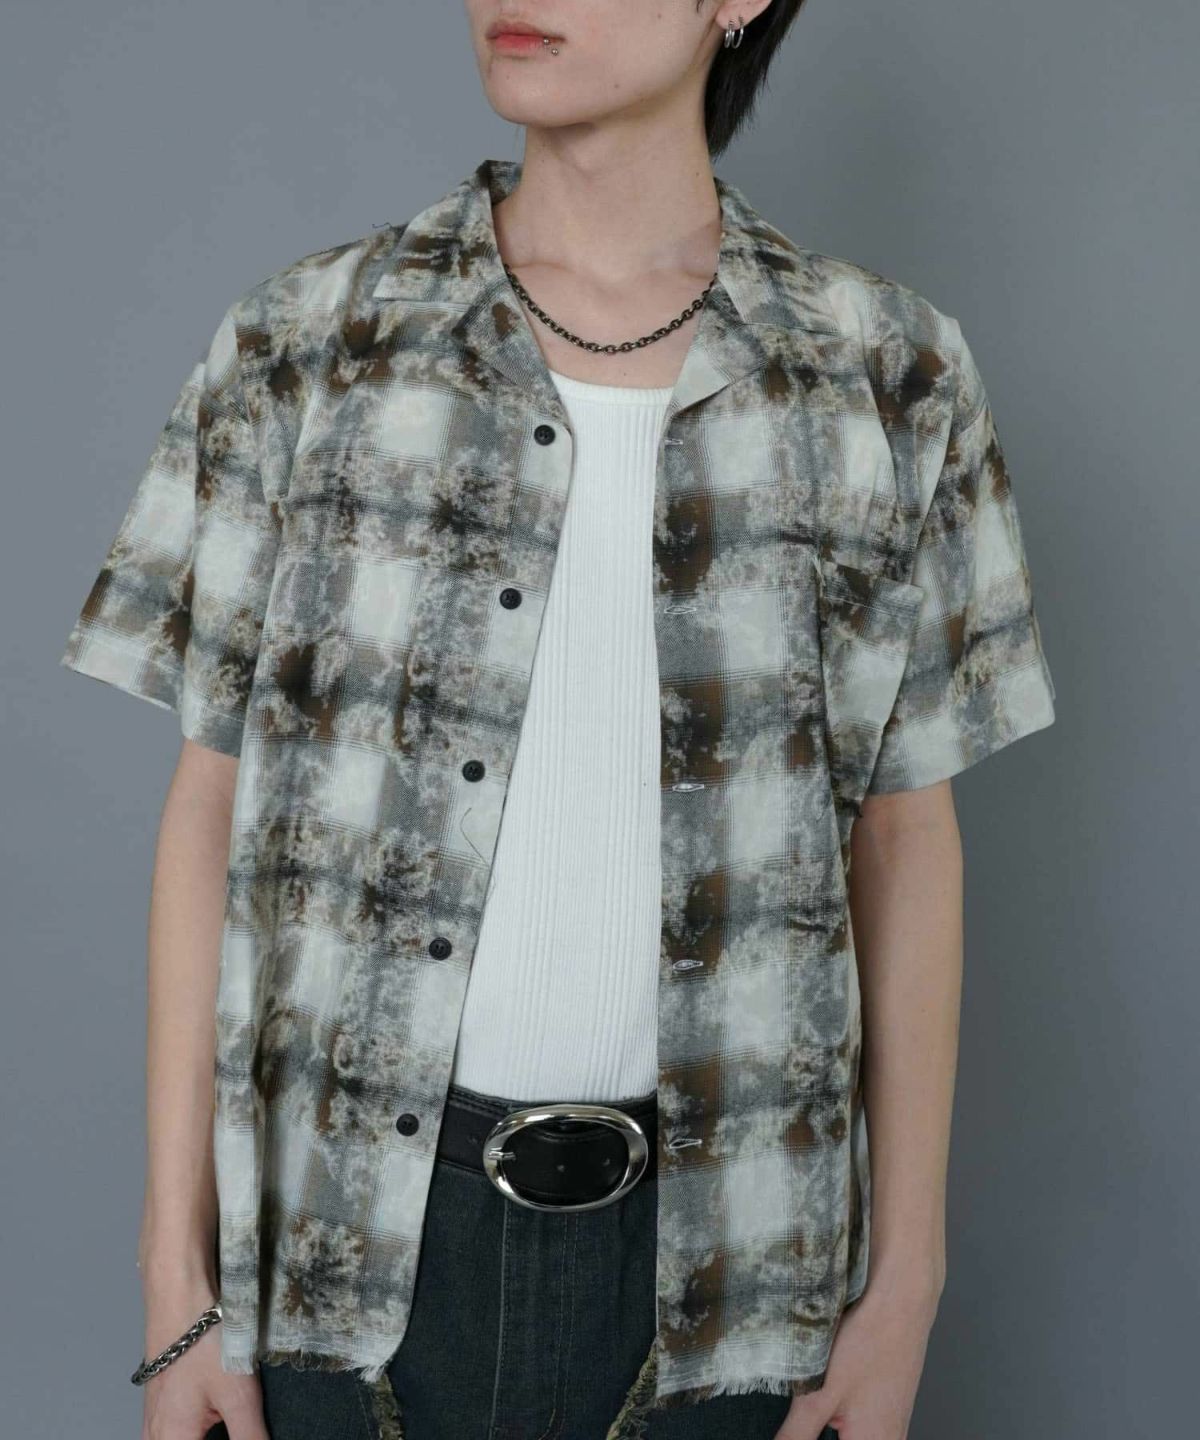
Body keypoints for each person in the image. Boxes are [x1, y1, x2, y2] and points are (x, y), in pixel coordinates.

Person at [59, 3, 1058, 1438]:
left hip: (735, 1279)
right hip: (337, 1263)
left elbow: (906, 843)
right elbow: (209, 805)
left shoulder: (888, 374)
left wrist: (905, 1285)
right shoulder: (310, 342)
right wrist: (177, 1281)